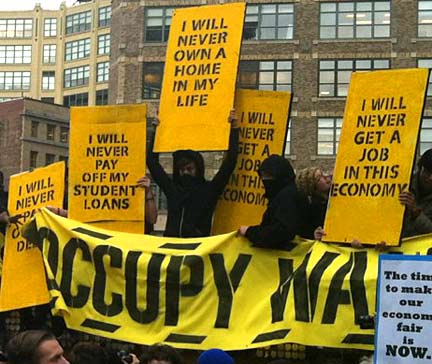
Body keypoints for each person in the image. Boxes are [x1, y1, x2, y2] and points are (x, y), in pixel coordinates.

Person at [146, 110, 239, 237]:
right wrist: (156, 131)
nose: (185, 173)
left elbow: (230, 163)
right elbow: (151, 162)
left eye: (189, 169)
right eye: (182, 169)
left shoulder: (209, 190)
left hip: (196, 250)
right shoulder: (173, 189)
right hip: (171, 248)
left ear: (198, 168)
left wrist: (234, 129)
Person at [238, 154, 309, 248]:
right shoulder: (286, 193)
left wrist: (249, 232)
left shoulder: (287, 197)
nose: (265, 180)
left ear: (281, 175)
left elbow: (280, 232)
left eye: (269, 175)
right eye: (263, 176)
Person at [400, 148, 432, 237]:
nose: (430, 178)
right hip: (394, 247)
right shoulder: (403, 186)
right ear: (419, 168)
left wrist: (415, 211)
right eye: (427, 172)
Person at [296, 167, 332, 239]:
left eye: (323, 173)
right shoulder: (311, 207)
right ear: (313, 186)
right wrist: (313, 234)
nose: (326, 176)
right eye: (319, 178)